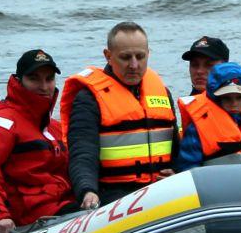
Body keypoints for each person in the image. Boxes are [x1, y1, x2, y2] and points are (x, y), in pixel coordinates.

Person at [60, 22, 178, 209]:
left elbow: (175, 148)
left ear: (148, 54)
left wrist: (177, 173)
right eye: (125, 57)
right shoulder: (88, 100)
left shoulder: (162, 92)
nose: (134, 65)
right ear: (108, 56)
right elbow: (83, 152)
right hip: (114, 196)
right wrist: (87, 190)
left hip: (160, 189)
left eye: (140, 56)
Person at [0, 49, 77, 233]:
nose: (44, 86)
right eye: (34, 79)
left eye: (49, 79)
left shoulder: (55, 128)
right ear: (19, 81)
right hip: (30, 221)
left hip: (65, 209)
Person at [175, 62, 241, 171]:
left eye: (239, 97)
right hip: (215, 186)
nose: (234, 103)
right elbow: (187, 167)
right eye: (227, 98)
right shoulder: (197, 129)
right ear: (216, 99)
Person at [177, 35, 229, 126]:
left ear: (226, 67)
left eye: (209, 65)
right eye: (194, 65)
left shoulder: (238, 103)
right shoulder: (189, 103)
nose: (199, 71)